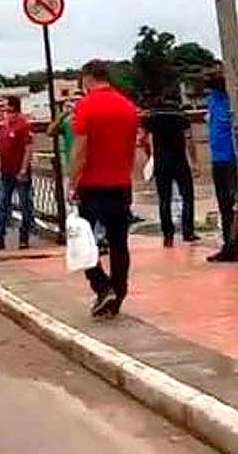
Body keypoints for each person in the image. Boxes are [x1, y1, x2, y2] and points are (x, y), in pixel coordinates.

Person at [70, 60, 140, 319]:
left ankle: (102, 285)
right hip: (121, 183)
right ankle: (118, 293)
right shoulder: (128, 106)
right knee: (119, 243)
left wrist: (72, 179)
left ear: (87, 79)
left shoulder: (86, 106)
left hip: (92, 185)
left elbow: (81, 149)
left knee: (84, 242)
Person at [141, 95, 199, 247]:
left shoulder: (152, 117)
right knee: (187, 195)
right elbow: (189, 139)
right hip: (179, 160)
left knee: (164, 198)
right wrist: (194, 161)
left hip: (161, 160)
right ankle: (188, 232)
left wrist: (151, 156)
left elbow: (143, 139)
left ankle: (168, 235)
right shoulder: (180, 116)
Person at [204, 70, 238, 263]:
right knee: (226, 206)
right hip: (219, 157)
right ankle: (230, 245)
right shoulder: (213, 99)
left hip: (231, 157)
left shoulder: (233, 99)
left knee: (236, 205)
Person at [0, 96, 34, 249]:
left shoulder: (23, 126)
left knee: (25, 206)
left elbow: (28, 148)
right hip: (6, 171)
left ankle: (24, 238)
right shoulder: (5, 127)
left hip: (19, 171)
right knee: (2, 203)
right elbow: (3, 147)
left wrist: (23, 169)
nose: (6, 113)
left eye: (8, 110)